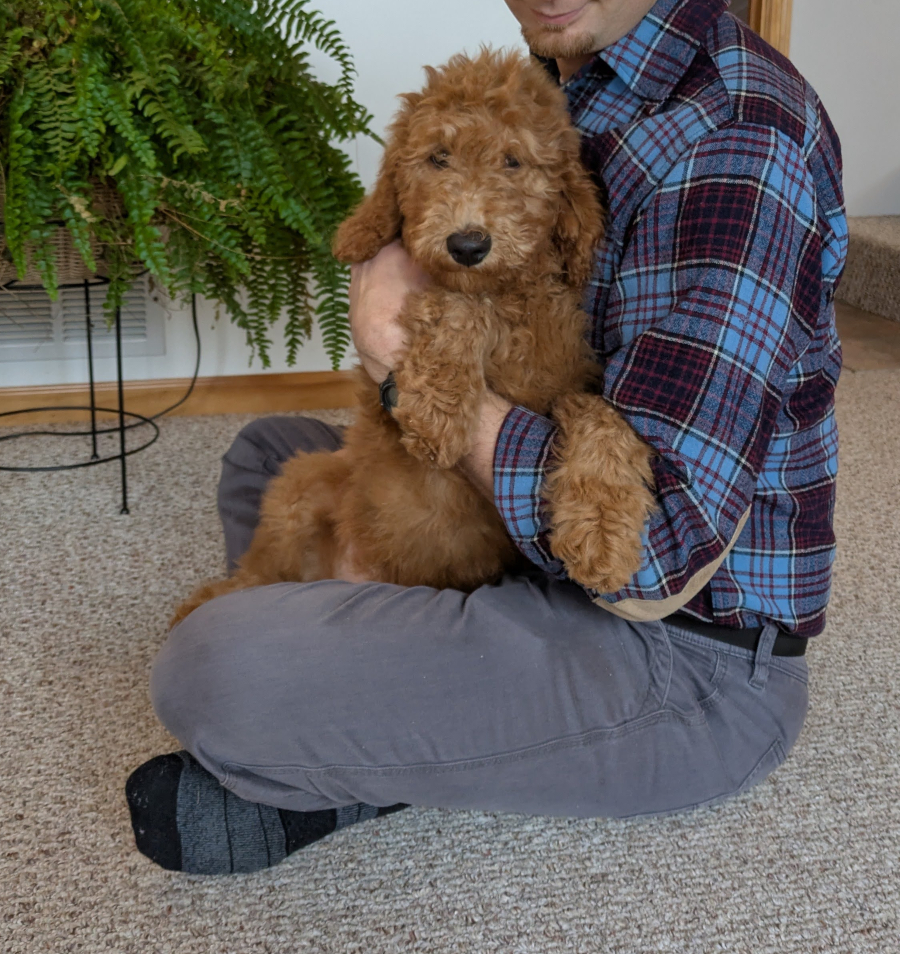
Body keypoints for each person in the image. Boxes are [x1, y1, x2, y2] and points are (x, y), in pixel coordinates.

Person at [126, 0, 846, 875]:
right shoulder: (568, 72)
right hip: (517, 545)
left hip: (684, 656)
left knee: (212, 671)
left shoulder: (741, 138)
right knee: (266, 450)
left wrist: (398, 354)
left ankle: (361, 720)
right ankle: (392, 675)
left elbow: (655, 553)